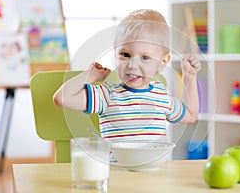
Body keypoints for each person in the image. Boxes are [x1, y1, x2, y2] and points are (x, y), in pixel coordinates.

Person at [53, 9, 201, 143]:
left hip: (153, 171)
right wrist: (91, 76)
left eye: (145, 57)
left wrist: (189, 77)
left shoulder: (161, 94)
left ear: (162, 62)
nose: (132, 65)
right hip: (117, 172)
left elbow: (191, 115)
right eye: (125, 55)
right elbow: (62, 98)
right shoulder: (106, 94)